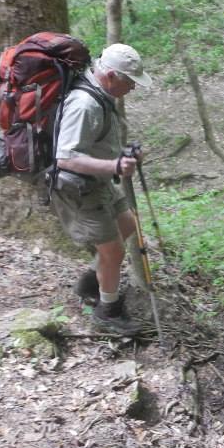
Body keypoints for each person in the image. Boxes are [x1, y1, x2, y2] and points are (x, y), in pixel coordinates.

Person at [50, 43, 153, 335]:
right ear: (110, 75)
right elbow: (65, 157)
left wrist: (123, 155)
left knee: (127, 223)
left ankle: (91, 282)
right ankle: (108, 312)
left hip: (99, 181)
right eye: (129, 81)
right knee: (114, 252)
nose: (133, 87)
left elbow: (96, 143)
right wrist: (115, 166)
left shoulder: (101, 96)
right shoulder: (85, 104)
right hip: (79, 189)